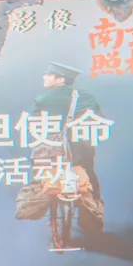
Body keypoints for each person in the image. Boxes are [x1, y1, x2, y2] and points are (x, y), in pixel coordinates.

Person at [34, 62, 103, 206]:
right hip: (81, 149)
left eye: (49, 75)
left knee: (40, 171)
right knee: (89, 173)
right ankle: (95, 203)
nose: (44, 77)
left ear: (60, 79)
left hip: (53, 150)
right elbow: (99, 119)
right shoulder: (87, 97)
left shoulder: (43, 101)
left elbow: (32, 124)